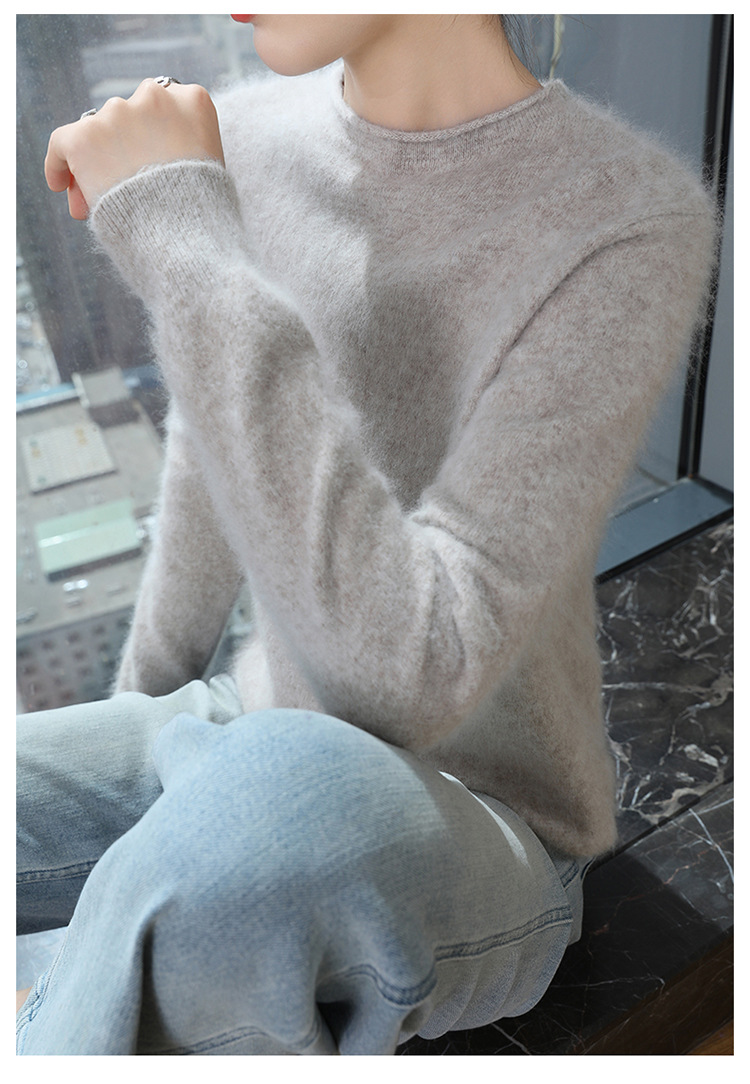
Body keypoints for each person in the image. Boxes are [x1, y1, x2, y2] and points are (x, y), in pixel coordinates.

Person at [17, 14, 716, 1055]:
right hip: (249, 720)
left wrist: (182, 237)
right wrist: (138, 720)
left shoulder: (628, 220)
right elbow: (218, 464)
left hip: (482, 804)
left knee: (262, 809)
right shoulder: (246, 138)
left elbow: (408, 682)